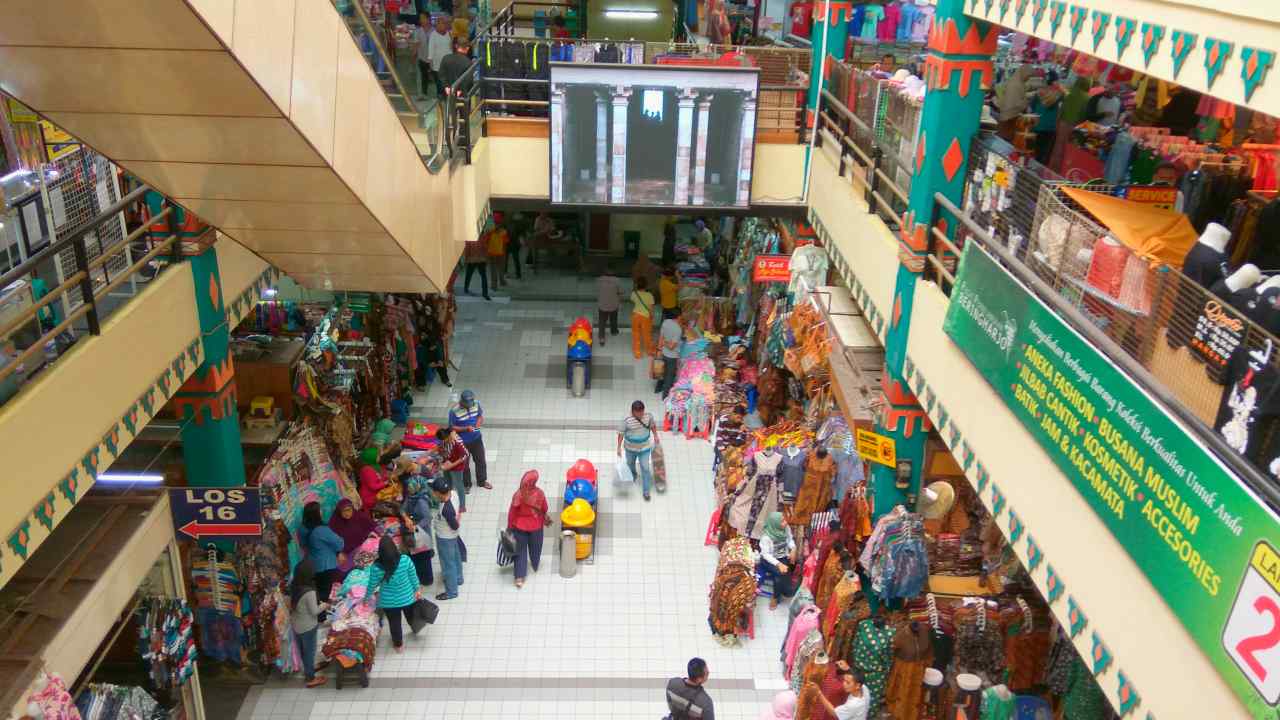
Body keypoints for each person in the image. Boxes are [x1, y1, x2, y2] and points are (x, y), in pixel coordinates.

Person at [368, 536, 420, 653]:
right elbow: (413, 576)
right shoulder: (405, 560)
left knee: (394, 623)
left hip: (388, 602)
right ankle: (415, 629)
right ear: (394, 548)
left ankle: (399, 645)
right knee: (410, 616)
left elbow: (371, 585)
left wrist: (366, 598)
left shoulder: (376, 567)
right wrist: (417, 589)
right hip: (407, 598)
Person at [506, 470, 551, 588]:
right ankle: (535, 564)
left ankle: (519, 577)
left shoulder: (518, 494)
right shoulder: (539, 493)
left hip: (519, 526)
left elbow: (512, 513)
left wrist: (510, 527)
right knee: (536, 546)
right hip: (536, 526)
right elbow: (545, 508)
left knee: (520, 551)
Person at [289, 558, 328, 687]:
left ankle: (309, 668)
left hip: (296, 624)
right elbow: (314, 611)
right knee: (309, 651)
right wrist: (325, 605)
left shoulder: (294, 586)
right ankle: (310, 678)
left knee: (303, 650)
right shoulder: (309, 591)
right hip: (308, 626)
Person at [301, 502, 345, 612]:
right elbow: (339, 542)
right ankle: (321, 616)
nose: (321, 512)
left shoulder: (303, 528)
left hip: (312, 563)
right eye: (319, 510)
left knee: (317, 590)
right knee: (324, 591)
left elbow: (304, 544)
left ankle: (318, 611)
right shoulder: (321, 530)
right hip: (326, 565)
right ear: (316, 513)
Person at [429, 476, 465, 600]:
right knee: (456, 557)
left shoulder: (446, 509)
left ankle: (451, 591)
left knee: (448, 563)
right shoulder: (454, 493)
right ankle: (459, 578)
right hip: (453, 537)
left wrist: (456, 521)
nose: (432, 493)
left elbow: (454, 525)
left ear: (438, 493)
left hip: (445, 538)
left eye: (433, 491)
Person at [617, 400, 659, 501]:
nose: (641, 415)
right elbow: (621, 433)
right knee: (630, 464)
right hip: (630, 449)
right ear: (632, 411)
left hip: (644, 448)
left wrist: (656, 435)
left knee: (645, 468)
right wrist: (618, 447)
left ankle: (646, 492)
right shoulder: (626, 420)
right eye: (638, 413)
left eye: (642, 412)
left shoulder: (648, 416)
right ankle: (633, 474)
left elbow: (652, 426)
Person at [449, 389, 491, 490]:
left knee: (480, 460)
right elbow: (452, 427)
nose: (470, 405)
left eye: (471, 403)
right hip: (462, 442)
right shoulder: (454, 410)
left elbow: (480, 416)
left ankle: (482, 481)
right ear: (462, 402)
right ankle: (467, 484)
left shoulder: (476, 404)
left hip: (476, 439)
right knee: (465, 463)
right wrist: (466, 428)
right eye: (467, 404)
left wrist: (478, 424)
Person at [758, 511, 795, 610]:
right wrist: (778, 564)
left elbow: (790, 539)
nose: (785, 523)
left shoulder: (786, 529)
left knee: (789, 592)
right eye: (782, 521)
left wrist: (793, 549)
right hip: (769, 560)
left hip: (782, 557)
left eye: (784, 520)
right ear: (775, 523)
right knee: (779, 574)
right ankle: (775, 597)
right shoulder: (766, 537)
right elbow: (766, 555)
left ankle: (782, 590)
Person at [402, 475, 435, 586]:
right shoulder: (411, 497)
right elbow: (403, 509)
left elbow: (428, 518)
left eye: (411, 488)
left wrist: (416, 526)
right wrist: (406, 518)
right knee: (416, 555)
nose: (409, 490)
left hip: (422, 533)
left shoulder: (421, 501)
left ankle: (427, 580)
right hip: (414, 531)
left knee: (423, 557)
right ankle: (418, 577)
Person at [328, 498, 376, 575]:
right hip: (344, 555)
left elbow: (372, 526)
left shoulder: (359, 516)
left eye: (349, 510)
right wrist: (338, 552)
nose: (347, 513)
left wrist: (371, 533)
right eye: (344, 511)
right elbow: (330, 541)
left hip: (361, 551)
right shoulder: (334, 523)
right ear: (339, 512)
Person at [1029, 71, 1063, 165]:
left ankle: (1030, 169)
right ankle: (1038, 172)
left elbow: (1032, 106)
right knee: (1043, 153)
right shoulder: (1059, 94)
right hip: (1049, 128)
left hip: (1037, 124)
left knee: (1033, 150)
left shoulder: (1039, 92)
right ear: (1055, 81)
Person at [434, 427, 471, 511]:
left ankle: (462, 505)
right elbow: (442, 449)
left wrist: (451, 465)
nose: (444, 442)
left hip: (457, 466)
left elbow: (465, 455)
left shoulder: (457, 441)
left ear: (448, 436)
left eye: (445, 440)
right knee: (447, 482)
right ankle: (449, 500)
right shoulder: (444, 440)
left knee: (459, 485)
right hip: (447, 463)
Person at [996, 65, 1032, 141]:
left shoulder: (1018, 83)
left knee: (1006, 139)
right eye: (1028, 76)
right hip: (1009, 117)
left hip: (1011, 116)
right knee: (1005, 140)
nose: (1028, 78)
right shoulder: (1015, 85)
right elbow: (1013, 103)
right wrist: (1026, 102)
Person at [655, 307, 683, 398]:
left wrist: (659, 349)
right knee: (669, 377)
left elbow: (661, 337)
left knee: (662, 371)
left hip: (663, 353)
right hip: (672, 356)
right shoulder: (678, 329)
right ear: (678, 316)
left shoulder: (665, 322)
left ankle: (658, 388)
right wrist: (666, 343)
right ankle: (665, 396)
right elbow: (671, 347)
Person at [630, 277, 657, 359]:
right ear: (646, 286)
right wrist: (652, 316)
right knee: (647, 335)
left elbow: (633, 301)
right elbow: (651, 308)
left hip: (635, 315)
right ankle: (649, 351)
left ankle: (637, 353)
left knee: (636, 334)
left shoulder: (634, 294)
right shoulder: (649, 295)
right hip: (645, 317)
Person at [462, 227, 491, 300]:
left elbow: (467, 248)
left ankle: (466, 288)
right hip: (481, 259)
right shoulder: (483, 237)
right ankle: (485, 293)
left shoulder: (470, 238)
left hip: (472, 259)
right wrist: (486, 258)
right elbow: (486, 248)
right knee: (483, 277)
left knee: (469, 274)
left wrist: (466, 258)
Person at [597, 271, 623, 345]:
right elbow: (621, 292)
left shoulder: (599, 280)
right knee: (614, 318)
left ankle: (602, 338)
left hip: (602, 304)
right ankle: (614, 331)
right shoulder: (617, 280)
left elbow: (597, 290)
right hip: (613, 304)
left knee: (602, 321)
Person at [486, 216, 510, 289]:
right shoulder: (504, 232)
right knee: (501, 268)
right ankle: (502, 281)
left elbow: (486, 241)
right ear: (500, 223)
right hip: (501, 253)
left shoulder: (489, 232)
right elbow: (506, 242)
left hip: (491, 252)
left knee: (493, 269)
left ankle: (494, 285)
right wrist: (504, 252)